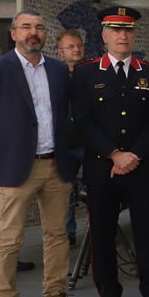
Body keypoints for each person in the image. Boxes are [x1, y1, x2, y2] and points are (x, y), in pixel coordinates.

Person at [70, 7, 149, 297]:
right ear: (104, 35)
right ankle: (108, 293)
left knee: (148, 231)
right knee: (102, 231)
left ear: (133, 34)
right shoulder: (86, 72)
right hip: (102, 167)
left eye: (127, 30)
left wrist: (134, 155)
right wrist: (114, 154)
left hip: (141, 166)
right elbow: (83, 120)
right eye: (115, 29)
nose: (122, 35)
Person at [0, 10, 79, 297]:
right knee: (9, 240)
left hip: (56, 164)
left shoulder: (58, 70)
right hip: (15, 167)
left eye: (40, 28)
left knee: (57, 234)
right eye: (27, 27)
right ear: (13, 33)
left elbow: (68, 117)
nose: (34, 32)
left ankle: (54, 294)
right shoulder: (0, 70)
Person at [57, 29, 84, 248]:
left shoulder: (91, 72)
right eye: (71, 46)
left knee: (97, 188)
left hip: (88, 142)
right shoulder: (54, 74)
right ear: (60, 50)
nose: (76, 49)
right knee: (65, 190)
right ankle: (68, 233)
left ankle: (101, 231)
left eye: (79, 45)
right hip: (64, 143)